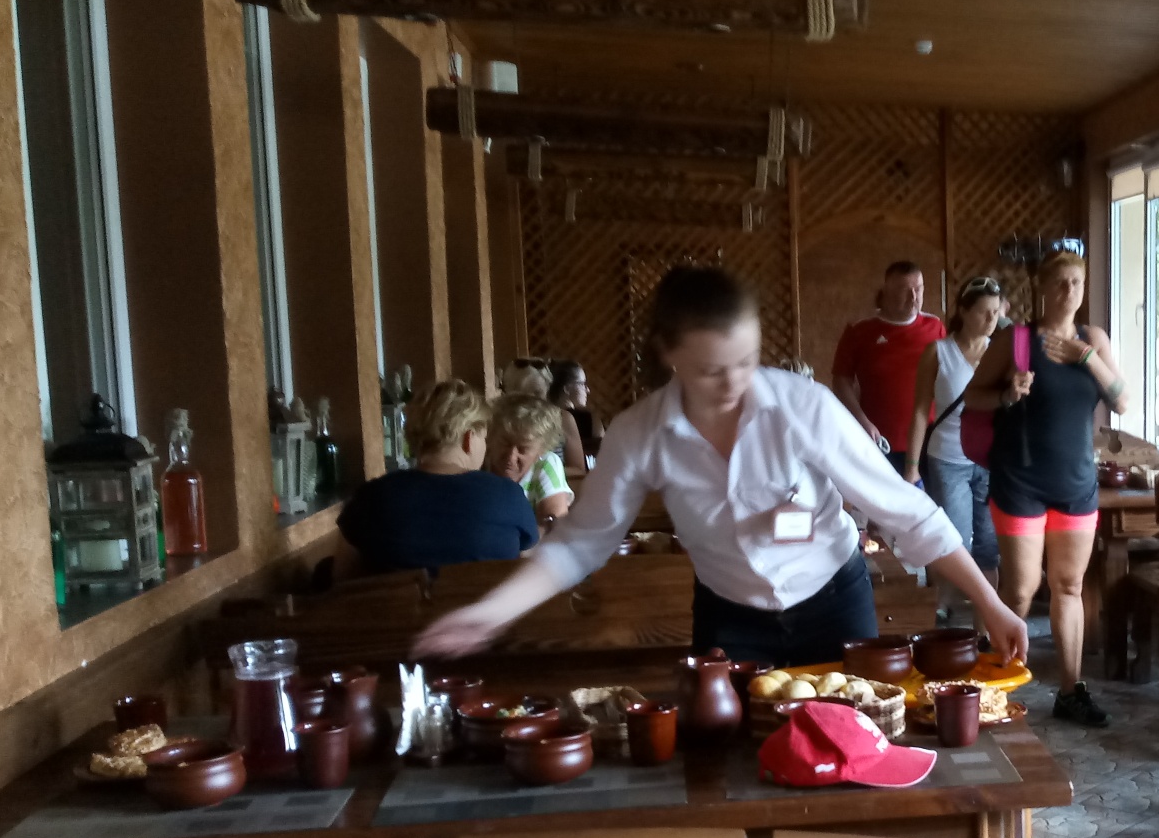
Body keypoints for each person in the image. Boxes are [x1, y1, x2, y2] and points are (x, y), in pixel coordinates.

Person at [415, 265, 1028, 670]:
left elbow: (906, 512)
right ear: (669, 355)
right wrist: (488, 613)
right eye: (711, 370)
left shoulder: (803, 407)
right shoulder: (641, 434)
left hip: (834, 603)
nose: (735, 383)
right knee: (736, 772)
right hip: (731, 619)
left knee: (847, 760)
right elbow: (579, 545)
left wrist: (990, 604)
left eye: (746, 361)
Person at [962, 248, 1125, 727]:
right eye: (1060, 282)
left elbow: (1122, 401)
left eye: (1077, 282)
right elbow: (971, 397)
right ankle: (997, 686)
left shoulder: (1093, 339)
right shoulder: (1015, 340)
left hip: (1076, 482)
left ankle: (1070, 691)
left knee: (1069, 586)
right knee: (1021, 590)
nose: (1069, 291)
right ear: (1042, 289)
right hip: (1020, 481)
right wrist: (1006, 393)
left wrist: (1087, 358)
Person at [334, 379, 538, 577]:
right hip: (484, 601)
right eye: (484, 438)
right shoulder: (508, 495)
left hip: (397, 601)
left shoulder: (371, 497)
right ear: (468, 438)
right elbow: (527, 570)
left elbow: (341, 578)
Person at [906, 273, 1005, 575]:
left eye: (996, 311)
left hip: (991, 459)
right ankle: (950, 598)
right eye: (983, 311)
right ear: (963, 311)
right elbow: (920, 411)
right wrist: (912, 467)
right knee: (956, 543)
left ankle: (986, 606)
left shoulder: (1000, 351)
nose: (991, 318)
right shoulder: (939, 351)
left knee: (990, 545)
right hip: (949, 458)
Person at [832, 260, 946, 477]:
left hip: (929, 442)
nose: (914, 297)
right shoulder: (860, 330)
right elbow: (841, 381)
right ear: (886, 292)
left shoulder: (935, 327)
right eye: (905, 290)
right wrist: (862, 421)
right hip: (880, 440)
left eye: (918, 289)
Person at [487, 394, 574, 524]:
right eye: (505, 443)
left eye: (523, 449)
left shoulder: (546, 464)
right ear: (492, 436)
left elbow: (555, 525)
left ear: (541, 451)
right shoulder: (480, 462)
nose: (511, 456)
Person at [547, 359, 599, 479]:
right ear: (566, 388)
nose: (588, 390)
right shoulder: (589, 419)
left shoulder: (589, 419)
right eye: (582, 384)